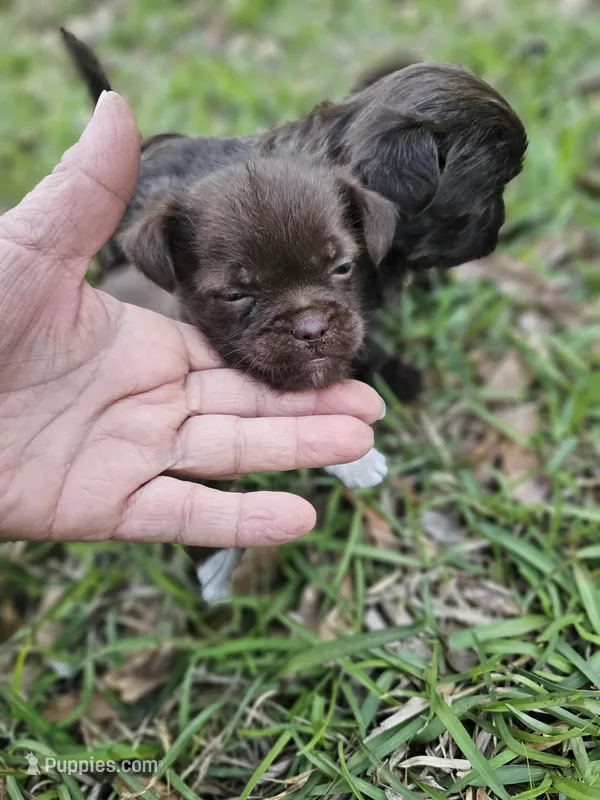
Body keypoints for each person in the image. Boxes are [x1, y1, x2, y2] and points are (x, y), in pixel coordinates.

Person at [0, 92, 384, 549]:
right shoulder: (150, 366)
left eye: (339, 269)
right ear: (169, 271)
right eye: (238, 294)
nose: (310, 326)